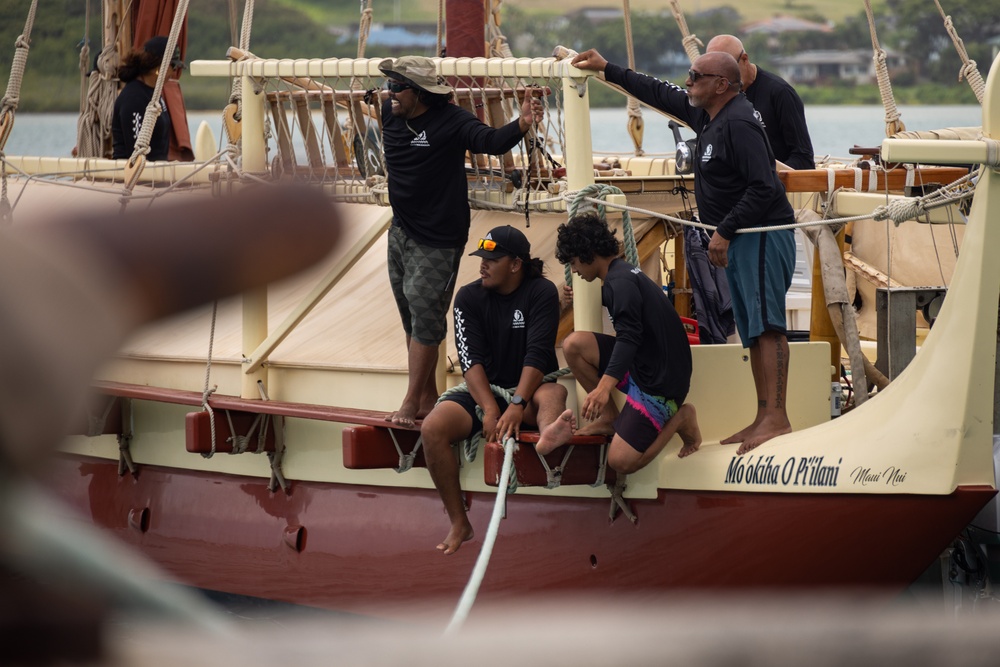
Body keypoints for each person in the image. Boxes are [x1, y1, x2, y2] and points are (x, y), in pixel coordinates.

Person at [570, 48, 796, 454]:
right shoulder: (707, 114)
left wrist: (724, 231)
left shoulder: (740, 122)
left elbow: (764, 186)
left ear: (721, 84)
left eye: (695, 75)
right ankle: (763, 416)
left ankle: (777, 417)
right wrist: (608, 69)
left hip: (761, 233)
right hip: (742, 237)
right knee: (752, 330)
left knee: (768, 326)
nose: (687, 81)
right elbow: (658, 92)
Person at [378, 55, 545, 429]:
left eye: (397, 87)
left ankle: (409, 402)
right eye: (388, 85)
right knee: (410, 313)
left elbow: (491, 142)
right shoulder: (390, 112)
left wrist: (522, 123)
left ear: (419, 93)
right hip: (400, 230)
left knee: (426, 315)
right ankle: (424, 399)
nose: (389, 94)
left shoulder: (451, 121)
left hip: (437, 236)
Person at [420, 225, 565, 555]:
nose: (482, 265)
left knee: (554, 395)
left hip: (528, 390)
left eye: (491, 259)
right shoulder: (468, 298)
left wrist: (516, 402)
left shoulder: (541, 292)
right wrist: (490, 407)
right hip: (483, 393)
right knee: (432, 428)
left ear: (515, 264)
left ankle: (550, 447)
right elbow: (470, 360)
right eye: (481, 258)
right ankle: (460, 522)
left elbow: (538, 354)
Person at [537, 213, 701, 473]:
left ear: (588, 253)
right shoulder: (620, 276)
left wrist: (602, 389)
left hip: (660, 386)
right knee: (574, 345)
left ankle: (681, 418)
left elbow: (628, 338)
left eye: (574, 262)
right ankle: (609, 418)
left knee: (621, 462)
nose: (575, 270)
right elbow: (628, 310)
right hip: (644, 365)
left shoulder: (620, 282)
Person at [705, 35, 814, 170]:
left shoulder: (780, 93)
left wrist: (767, 177)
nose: (724, 79)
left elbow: (803, 158)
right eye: (716, 73)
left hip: (772, 183)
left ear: (744, 59)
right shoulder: (718, 95)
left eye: (728, 69)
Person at [111, 36, 181, 161]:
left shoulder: (153, 93)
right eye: (173, 66)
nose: (174, 72)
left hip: (157, 174)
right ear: (159, 67)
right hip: (137, 176)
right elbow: (136, 154)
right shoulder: (133, 99)